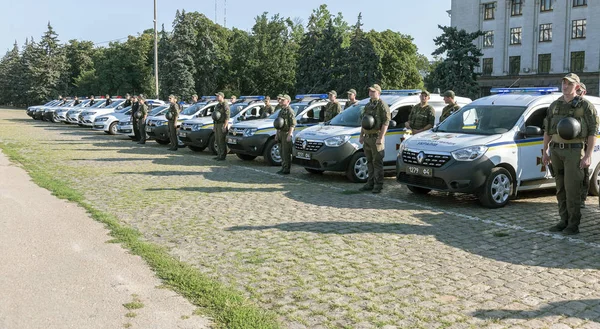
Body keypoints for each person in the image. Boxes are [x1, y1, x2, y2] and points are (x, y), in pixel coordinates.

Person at [542, 73, 598, 235]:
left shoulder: (585, 106)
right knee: (560, 188)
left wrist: (587, 155)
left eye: (569, 84)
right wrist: (545, 150)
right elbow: (548, 130)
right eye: (564, 83)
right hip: (556, 151)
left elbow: (592, 132)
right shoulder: (554, 105)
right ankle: (563, 220)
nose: (565, 86)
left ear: (577, 87)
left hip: (574, 151)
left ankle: (573, 225)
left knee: (572, 188)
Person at [358, 84, 391, 194]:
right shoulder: (368, 105)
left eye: (373, 91)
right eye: (370, 91)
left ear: (378, 92)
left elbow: (386, 123)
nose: (371, 93)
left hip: (376, 138)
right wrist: (361, 135)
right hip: (367, 137)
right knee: (369, 162)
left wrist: (381, 138)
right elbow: (364, 121)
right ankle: (370, 183)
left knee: (377, 162)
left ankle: (378, 185)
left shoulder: (382, 105)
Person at [275, 95, 296, 175]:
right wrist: (277, 134)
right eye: (281, 100)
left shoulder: (290, 111)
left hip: (286, 132)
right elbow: (278, 123)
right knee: (281, 151)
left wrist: (289, 135)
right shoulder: (281, 111)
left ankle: (286, 169)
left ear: (288, 101)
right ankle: (283, 167)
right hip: (281, 133)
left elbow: (292, 124)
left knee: (286, 152)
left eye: (283, 100)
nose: (281, 101)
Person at [213, 92, 230, 161]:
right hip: (217, 124)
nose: (216, 97)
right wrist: (214, 126)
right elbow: (215, 116)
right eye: (216, 96)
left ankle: (222, 156)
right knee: (217, 140)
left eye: (218, 96)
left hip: (222, 124)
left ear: (222, 96)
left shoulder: (225, 104)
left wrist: (225, 125)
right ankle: (219, 154)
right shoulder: (218, 105)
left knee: (221, 140)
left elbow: (227, 116)